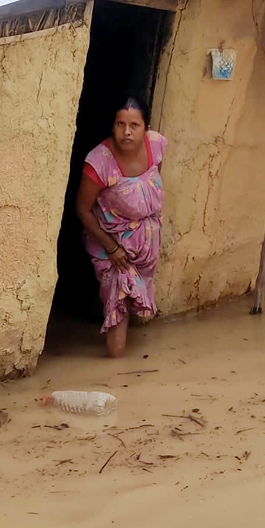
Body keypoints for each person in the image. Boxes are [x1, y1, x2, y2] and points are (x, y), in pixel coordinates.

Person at [74, 97, 168, 357]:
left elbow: (152, 179)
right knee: (117, 340)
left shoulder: (157, 145)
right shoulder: (99, 162)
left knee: (133, 302)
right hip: (112, 248)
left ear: (145, 127)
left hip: (145, 246)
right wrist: (113, 248)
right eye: (120, 124)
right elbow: (82, 209)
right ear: (112, 127)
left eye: (134, 125)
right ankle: (115, 371)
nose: (127, 131)